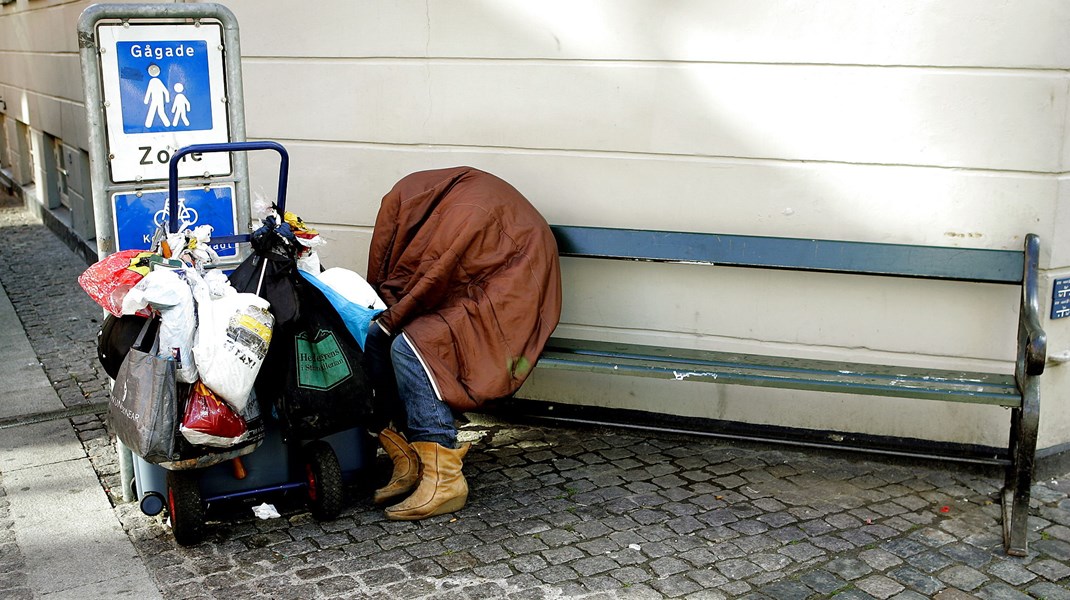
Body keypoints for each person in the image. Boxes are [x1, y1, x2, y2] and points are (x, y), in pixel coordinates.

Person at [363, 166, 562, 520]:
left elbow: (431, 278)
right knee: (384, 339)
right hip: (486, 288)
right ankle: (409, 458)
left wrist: (390, 318)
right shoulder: (448, 202)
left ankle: (445, 478)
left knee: (413, 346)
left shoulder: (461, 211)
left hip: (513, 297)